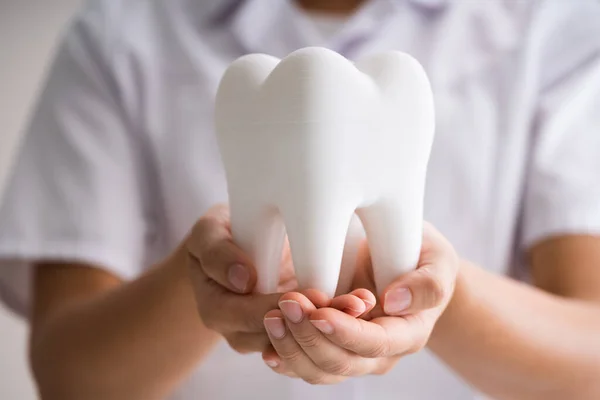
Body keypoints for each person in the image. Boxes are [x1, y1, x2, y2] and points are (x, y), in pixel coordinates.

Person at [0, 0, 599, 399]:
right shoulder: (120, 34)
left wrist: (436, 292)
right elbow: (69, 374)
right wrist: (200, 280)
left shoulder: (555, 27)